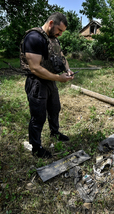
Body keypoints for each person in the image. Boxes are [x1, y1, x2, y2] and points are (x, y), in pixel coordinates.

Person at [20, 12, 74, 158]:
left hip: (50, 81)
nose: (61, 34)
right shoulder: (34, 38)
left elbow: (61, 56)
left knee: (55, 108)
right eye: (59, 30)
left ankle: (55, 133)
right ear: (51, 24)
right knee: (38, 116)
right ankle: (36, 147)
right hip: (37, 82)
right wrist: (58, 78)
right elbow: (35, 68)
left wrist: (68, 70)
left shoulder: (53, 39)